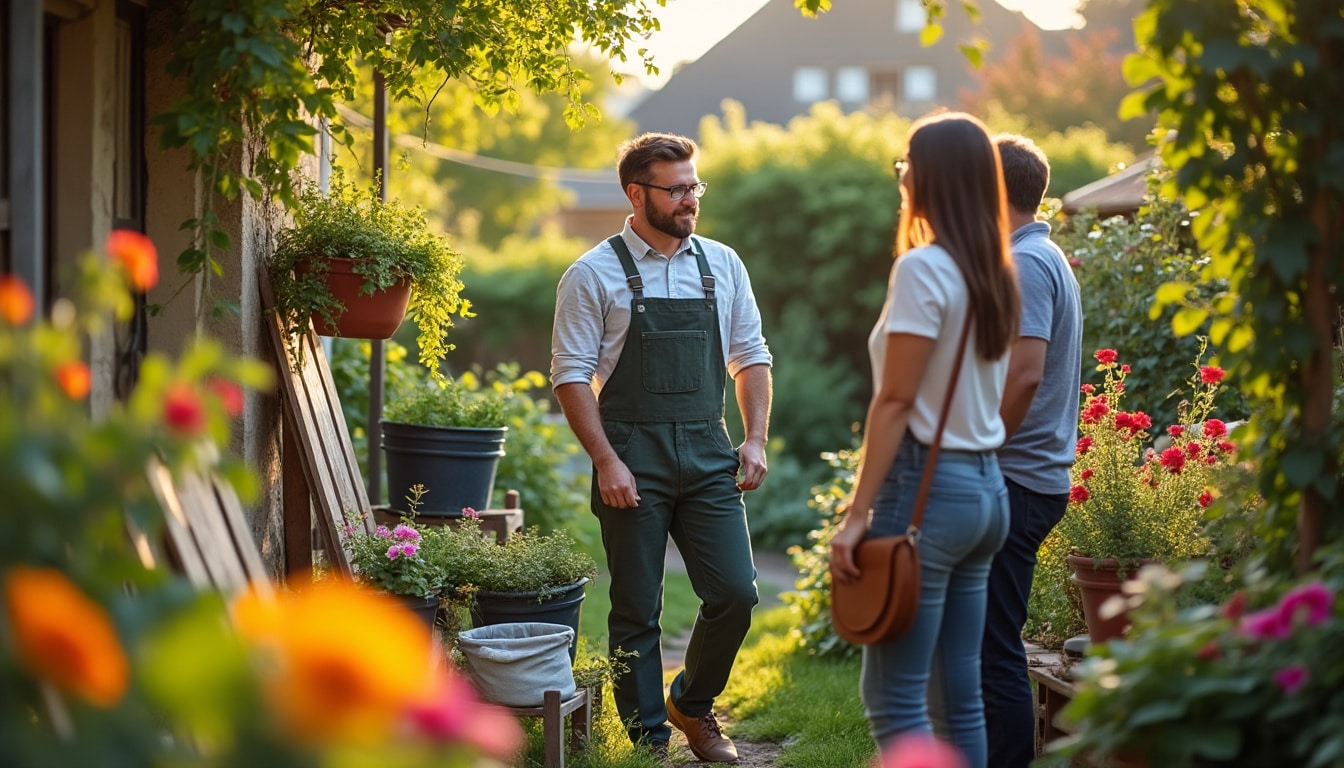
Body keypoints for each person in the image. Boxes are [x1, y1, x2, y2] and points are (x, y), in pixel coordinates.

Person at [550, 132, 772, 762]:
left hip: (709, 453)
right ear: (636, 193)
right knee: (636, 607)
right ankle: (648, 740)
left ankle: (691, 705)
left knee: (735, 593)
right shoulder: (591, 274)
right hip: (630, 457)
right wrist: (606, 461)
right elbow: (571, 376)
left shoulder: (723, 264)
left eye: (693, 187)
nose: (689, 200)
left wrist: (754, 438)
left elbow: (751, 357)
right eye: (675, 190)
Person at [829, 111, 1019, 768]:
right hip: (986, 491)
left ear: (929, 176)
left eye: (906, 162)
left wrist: (856, 518)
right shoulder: (995, 271)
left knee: (895, 698)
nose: (901, 174)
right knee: (957, 698)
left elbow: (896, 401)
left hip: (928, 491)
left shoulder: (923, 270)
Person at [979, 134, 1083, 768]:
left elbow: (1023, 374)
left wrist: (977, 454)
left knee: (993, 651)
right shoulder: (1041, 255)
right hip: (1027, 478)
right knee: (986, 644)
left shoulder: (1025, 265)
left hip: (1014, 478)